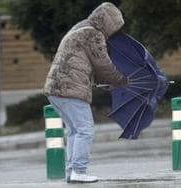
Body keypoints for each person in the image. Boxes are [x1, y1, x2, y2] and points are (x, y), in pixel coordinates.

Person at [43, 2, 127, 183]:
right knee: (85, 129)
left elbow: (85, 64)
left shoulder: (80, 28)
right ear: (108, 22)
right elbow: (103, 65)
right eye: (115, 26)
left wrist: (106, 83)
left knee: (74, 131)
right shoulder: (93, 34)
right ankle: (79, 171)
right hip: (69, 90)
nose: (114, 32)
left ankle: (72, 172)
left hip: (55, 89)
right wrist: (122, 80)